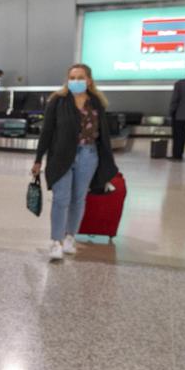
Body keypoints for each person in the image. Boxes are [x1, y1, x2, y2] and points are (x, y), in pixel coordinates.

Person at [32, 64, 119, 261]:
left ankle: (70, 236)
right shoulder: (58, 101)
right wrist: (38, 159)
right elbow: (47, 131)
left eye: (80, 77)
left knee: (78, 199)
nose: (76, 81)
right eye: (72, 77)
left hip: (89, 155)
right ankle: (56, 241)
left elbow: (103, 134)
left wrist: (107, 162)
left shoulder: (96, 102)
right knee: (61, 199)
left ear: (89, 80)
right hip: (61, 156)